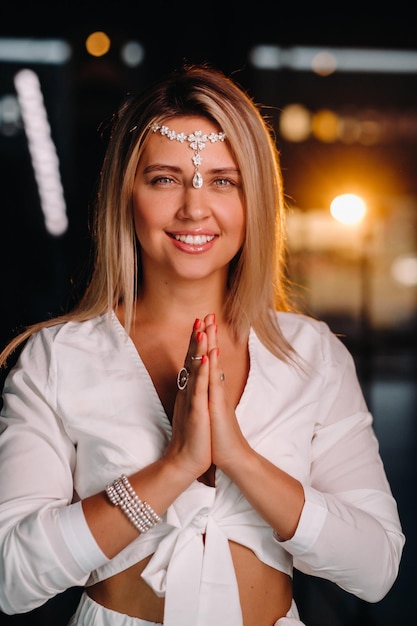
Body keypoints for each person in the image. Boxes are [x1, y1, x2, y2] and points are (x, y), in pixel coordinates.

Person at [0, 62, 405, 626]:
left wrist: (237, 456)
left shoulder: (312, 354)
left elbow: (376, 567)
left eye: (223, 180)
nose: (194, 208)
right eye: (165, 179)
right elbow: (9, 577)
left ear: (254, 198)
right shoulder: (57, 357)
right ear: (126, 194)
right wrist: (175, 467)